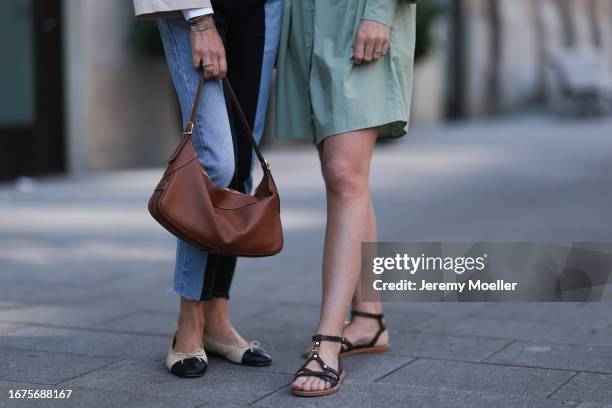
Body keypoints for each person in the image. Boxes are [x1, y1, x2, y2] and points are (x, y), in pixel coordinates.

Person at [133, 0, 283, 378]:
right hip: (198, 7)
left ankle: (217, 318)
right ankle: (189, 318)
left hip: (264, 8)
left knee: (242, 170)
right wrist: (199, 19)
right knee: (215, 163)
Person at [275, 0, 417, 397]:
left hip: (359, 16)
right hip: (306, 21)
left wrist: (379, 12)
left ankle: (328, 340)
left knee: (343, 175)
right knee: (346, 179)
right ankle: (369, 318)